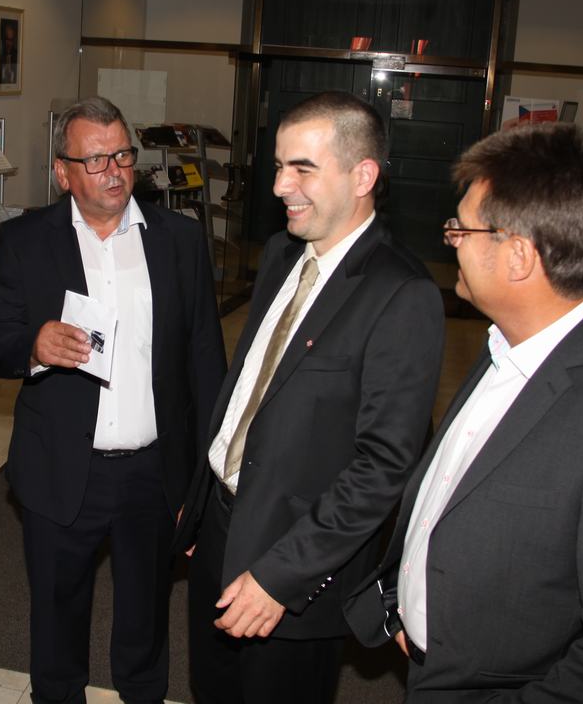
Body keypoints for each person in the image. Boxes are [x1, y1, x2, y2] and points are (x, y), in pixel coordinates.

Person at [345, 122, 583, 701]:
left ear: (517, 256)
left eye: (461, 228)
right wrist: (406, 605)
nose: (451, 240)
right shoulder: (505, 345)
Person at [174, 91, 445, 704]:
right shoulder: (281, 254)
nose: (279, 186)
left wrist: (280, 578)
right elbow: (249, 390)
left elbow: (383, 467)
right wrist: (204, 505)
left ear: (363, 177)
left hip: (293, 561)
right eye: (278, 166)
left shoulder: (402, 294)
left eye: (302, 168)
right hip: (220, 527)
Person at [0, 96, 226, 704]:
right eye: (95, 160)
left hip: (153, 471)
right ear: (62, 172)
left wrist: (205, 478)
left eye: (122, 155)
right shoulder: (25, 241)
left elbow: (204, 359)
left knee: (147, 615)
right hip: (63, 465)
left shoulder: (179, 240)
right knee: (56, 615)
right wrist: (34, 345)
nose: (114, 171)